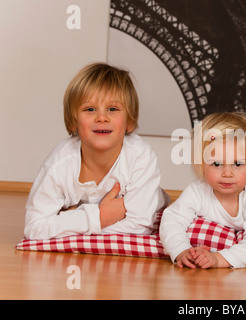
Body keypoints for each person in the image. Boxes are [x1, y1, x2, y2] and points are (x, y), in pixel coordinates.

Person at [24, 63, 170, 240]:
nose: (102, 117)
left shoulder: (140, 156)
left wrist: (73, 220)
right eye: (90, 109)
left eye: (113, 109)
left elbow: (140, 226)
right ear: (73, 122)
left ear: (129, 122)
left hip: (155, 209)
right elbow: (34, 227)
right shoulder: (59, 164)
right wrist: (99, 216)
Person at [159, 112, 246, 269]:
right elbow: (173, 219)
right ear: (202, 165)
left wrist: (219, 259)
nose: (227, 173)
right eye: (216, 164)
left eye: (237, 164)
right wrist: (180, 250)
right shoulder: (198, 190)